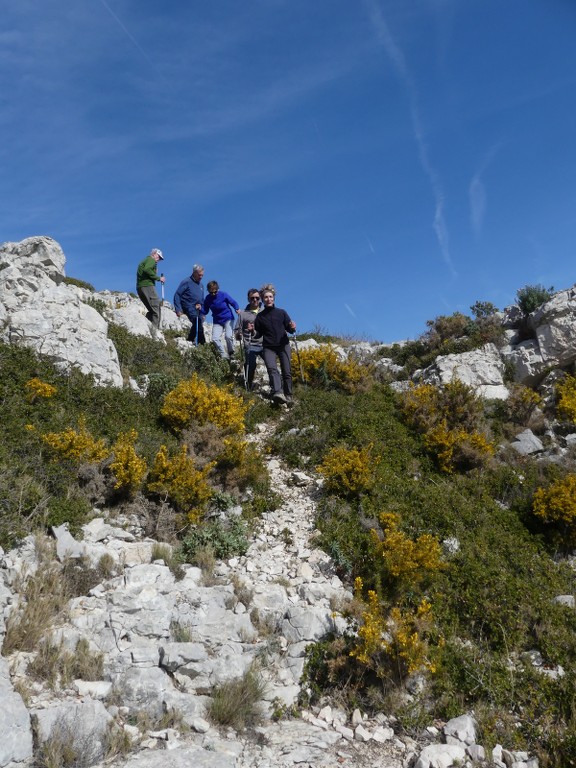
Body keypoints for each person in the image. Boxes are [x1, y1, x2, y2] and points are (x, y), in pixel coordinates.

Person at [252, 284, 296, 405]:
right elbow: (258, 334)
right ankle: (278, 392)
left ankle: (288, 395)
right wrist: (252, 331)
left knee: (287, 371)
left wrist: (292, 327)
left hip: (283, 345)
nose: (269, 299)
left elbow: (290, 329)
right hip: (268, 347)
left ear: (274, 298)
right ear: (262, 299)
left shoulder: (281, 312)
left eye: (270, 297)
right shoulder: (260, 317)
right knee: (272, 369)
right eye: (266, 297)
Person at [202, 280, 240, 359]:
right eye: (211, 292)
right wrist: (199, 309)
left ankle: (231, 352)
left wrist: (237, 308)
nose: (213, 294)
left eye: (215, 292)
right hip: (217, 321)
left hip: (228, 318)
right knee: (215, 338)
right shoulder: (208, 298)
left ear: (217, 289)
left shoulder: (223, 295)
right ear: (208, 291)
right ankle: (223, 354)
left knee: (228, 336)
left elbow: (233, 302)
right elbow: (205, 311)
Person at [235, 289, 264, 390]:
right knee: (250, 364)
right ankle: (248, 386)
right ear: (248, 299)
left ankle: (276, 388)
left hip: (264, 344)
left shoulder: (264, 311)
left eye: (257, 298)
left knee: (271, 364)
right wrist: (239, 334)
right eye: (252, 298)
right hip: (250, 344)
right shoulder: (243, 314)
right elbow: (237, 328)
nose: (255, 300)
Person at [173, 264, 206, 344]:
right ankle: (201, 343)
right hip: (188, 306)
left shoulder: (201, 285)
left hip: (198, 309)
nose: (201, 277)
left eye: (202, 275)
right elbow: (177, 295)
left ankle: (192, 340)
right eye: (199, 275)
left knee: (199, 324)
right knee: (197, 321)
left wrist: (203, 311)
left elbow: (202, 300)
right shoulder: (186, 282)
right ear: (194, 273)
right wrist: (178, 309)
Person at [136, 248, 165, 328]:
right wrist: (158, 278)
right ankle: (155, 330)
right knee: (156, 308)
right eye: (158, 257)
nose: (158, 260)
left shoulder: (146, 260)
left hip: (140, 287)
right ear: (154, 254)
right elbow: (147, 269)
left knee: (152, 310)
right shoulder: (151, 260)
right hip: (147, 286)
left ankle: (146, 327)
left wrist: (154, 270)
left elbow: (146, 270)